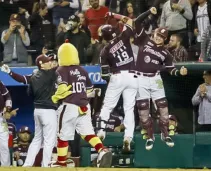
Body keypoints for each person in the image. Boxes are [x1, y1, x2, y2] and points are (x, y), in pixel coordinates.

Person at [96, 8, 157, 152]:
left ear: (104, 37)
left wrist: (112, 82)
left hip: (118, 75)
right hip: (132, 75)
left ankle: (101, 131)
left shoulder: (104, 50)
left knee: (107, 106)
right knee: (129, 108)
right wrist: (148, 11)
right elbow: (135, 21)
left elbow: (104, 75)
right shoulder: (123, 36)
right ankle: (128, 137)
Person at [50, 40, 112, 167]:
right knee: (88, 133)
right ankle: (102, 150)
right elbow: (90, 91)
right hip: (84, 106)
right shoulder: (83, 70)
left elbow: (61, 89)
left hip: (69, 105)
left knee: (62, 136)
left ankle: (61, 162)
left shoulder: (60, 70)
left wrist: (54, 97)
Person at [132, 9, 188, 150]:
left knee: (163, 107)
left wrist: (179, 72)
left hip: (156, 79)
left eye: (162, 37)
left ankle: (165, 134)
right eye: (157, 35)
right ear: (154, 34)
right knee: (143, 110)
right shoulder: (144, 40)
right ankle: (150, 137)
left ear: (165, 39)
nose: (158, 38)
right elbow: (137, 21)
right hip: (141, 79)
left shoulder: (165, 53)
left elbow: (171, 69)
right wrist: (148, 12)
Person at [1, 54, 58, 167]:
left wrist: (10, 73)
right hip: (48, 110)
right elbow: (61, 66)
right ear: (41, 64)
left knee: (37, 139)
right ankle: (45, 166)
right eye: (47, 61)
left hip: (37, 110)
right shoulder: (51, 73)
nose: (50, 63)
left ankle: (27, 165)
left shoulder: (34, 75)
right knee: (49, 141)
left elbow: (26, 87)